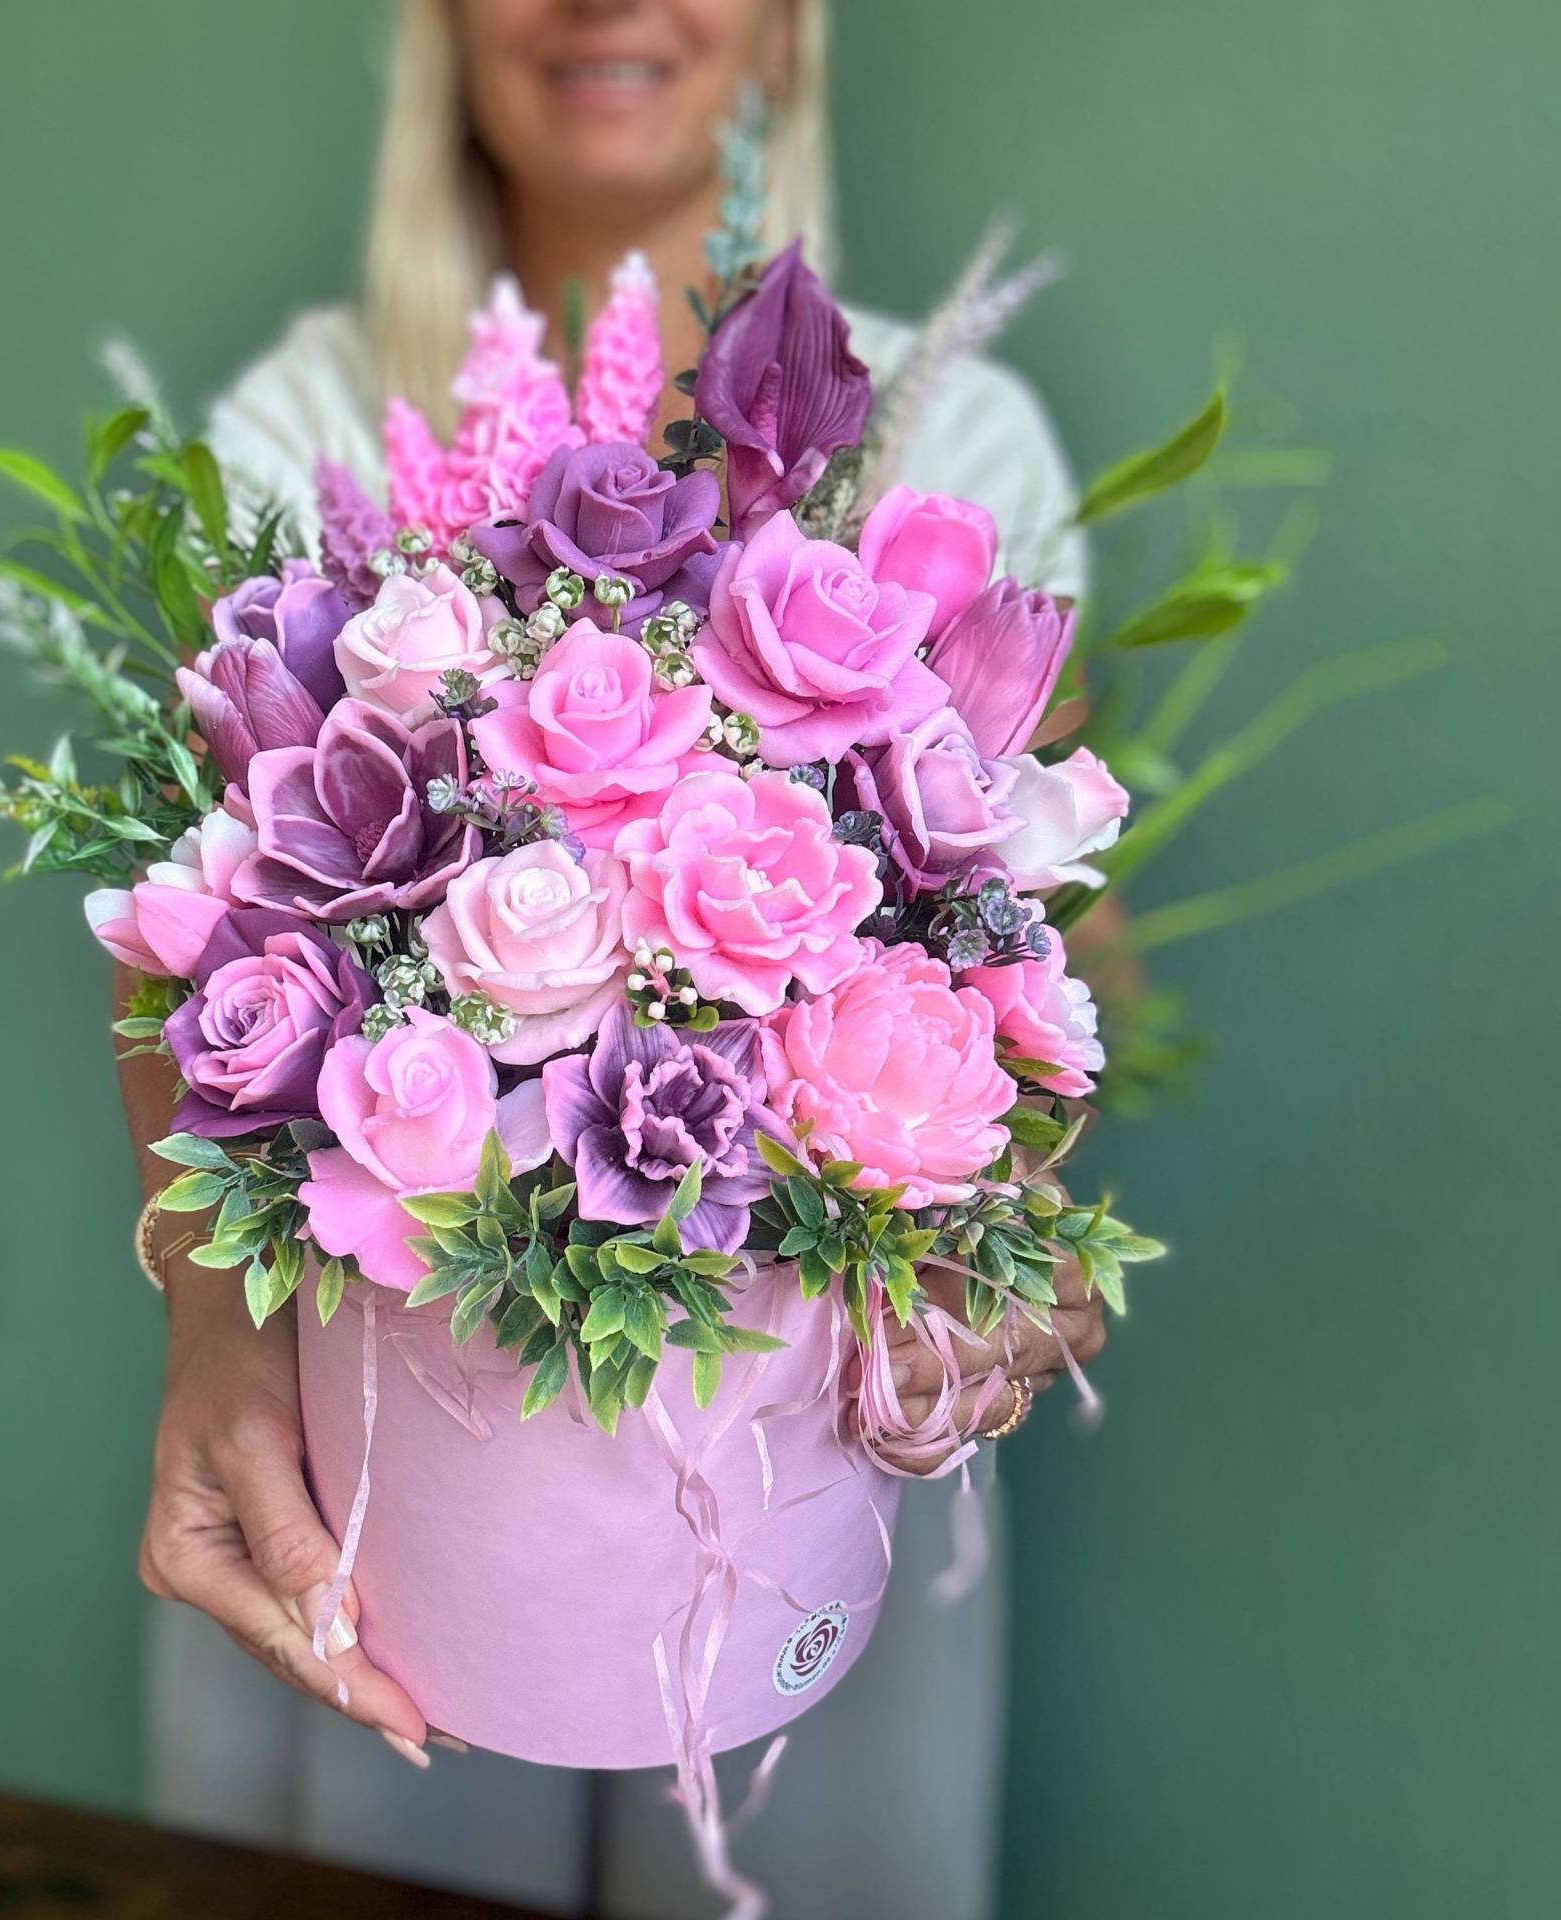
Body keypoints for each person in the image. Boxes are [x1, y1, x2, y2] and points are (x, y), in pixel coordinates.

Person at [122, 4, 1106, 1914]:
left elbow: (1058, 930)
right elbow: (190, 924)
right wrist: (214, 1334)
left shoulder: (942, 432)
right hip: (371, 1440)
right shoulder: (303, 420)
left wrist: (1003, 1224)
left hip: (800, 1442)